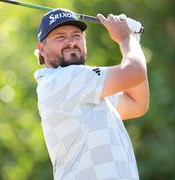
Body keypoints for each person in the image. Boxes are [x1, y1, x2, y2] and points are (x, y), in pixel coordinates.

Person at [34, 8, 149, 180]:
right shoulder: (63, 79)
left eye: (76, 35)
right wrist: (125, 38)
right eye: (60, 36)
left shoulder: (86, 88)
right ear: (42, 49)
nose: (71, 42)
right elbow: (135, 72)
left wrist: (133, 40)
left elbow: (137, 104)